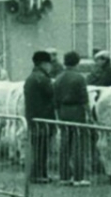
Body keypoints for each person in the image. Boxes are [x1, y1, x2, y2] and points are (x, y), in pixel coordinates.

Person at [52, 51, 91, 183]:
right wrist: (89, 115)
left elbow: (55, 100)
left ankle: (64, 176)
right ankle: (79, 177)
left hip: (63, 110)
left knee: (64, 144)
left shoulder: (59, 78)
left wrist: (58, 115)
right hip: (76, 111)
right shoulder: (79, 78)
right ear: (77, 62)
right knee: (78, 145)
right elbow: (84, 99)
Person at [23, 51, 56, 184]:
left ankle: (39, 174)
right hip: (43, 118)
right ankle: (39, 175)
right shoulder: (42, 78)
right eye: (49, 63)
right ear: (44, 63)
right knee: (42, 149)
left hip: (34, 117)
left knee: (38, 148)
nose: (50, 66)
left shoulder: (31, 77)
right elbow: (51, 94)